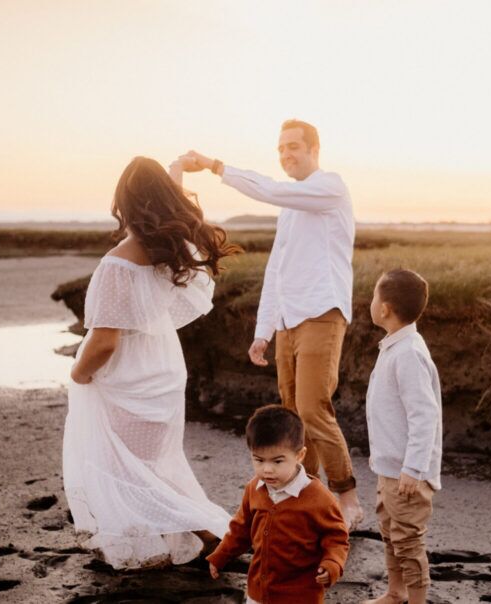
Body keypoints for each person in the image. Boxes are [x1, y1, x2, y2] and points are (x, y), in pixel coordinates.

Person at [182, 119, 364, 528]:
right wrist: (263, 331)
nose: (286, 155)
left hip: (322, 312)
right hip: (287, 322)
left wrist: (215, 166)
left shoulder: (329, 187)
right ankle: (307, 496)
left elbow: (271, 189)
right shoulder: (290, 209)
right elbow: (277, 271)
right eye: (281, 149)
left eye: (293, 147)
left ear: (314, 149)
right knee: (292, 416)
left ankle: (348, 498)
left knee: (313, 409)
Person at [63, 156, 240, 569]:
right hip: (162, 369)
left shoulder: (117, 264)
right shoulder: (174, 254)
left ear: (124, 203)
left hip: (127, 378)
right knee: (153, 463)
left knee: (126, 467)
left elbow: (104, 342)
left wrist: (78, 372)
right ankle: (190, 535)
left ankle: (212, 534)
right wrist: (173, 174)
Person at [206, 405, 349, 604]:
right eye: (259, 460)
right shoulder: (254, 489)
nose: (267, 469)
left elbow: (336, 538)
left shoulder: (320, 498)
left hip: (300, 596)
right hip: (258, 591)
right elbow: (240, 529)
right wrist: (221, 555)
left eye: (277, 461)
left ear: (300, 455)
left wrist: (332, 563)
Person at [362, 269, 443, 604]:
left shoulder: (408, 352)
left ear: (385, 309)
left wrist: (413, 468)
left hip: (407, 473)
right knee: (389, 532)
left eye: (374, 296)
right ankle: (396, 592)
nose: (371, 302)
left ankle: (417, 600)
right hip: (390, 468)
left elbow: (424, 415)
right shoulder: (394, 346)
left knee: (408, 540)